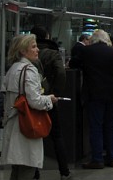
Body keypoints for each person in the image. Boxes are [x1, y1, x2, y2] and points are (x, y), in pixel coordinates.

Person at [1, 34, 58, 180]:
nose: (37, 49)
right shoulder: (29, 71)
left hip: (14, 123)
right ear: (22, 51)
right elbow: (35, 101)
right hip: (27, 125)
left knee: (17, 168)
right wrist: (49, 99)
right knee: (27, 167)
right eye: (33, 47)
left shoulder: (12, 69)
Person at [70, 29, 113, 169]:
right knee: (111, 126)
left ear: (93, 39)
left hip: (94, 94)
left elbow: (73, 64)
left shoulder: (86, 51)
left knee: (96, 127)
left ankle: (97, 159)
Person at [30, 25, 71, 180]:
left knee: (33, 137)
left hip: (32, 99)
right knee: (56, 135)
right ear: (47, 36)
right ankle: (64, 171)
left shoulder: (27, 54)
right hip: (49, 99)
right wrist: (55, 94)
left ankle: (34, 172)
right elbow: (61, 73)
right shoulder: (53, 53)